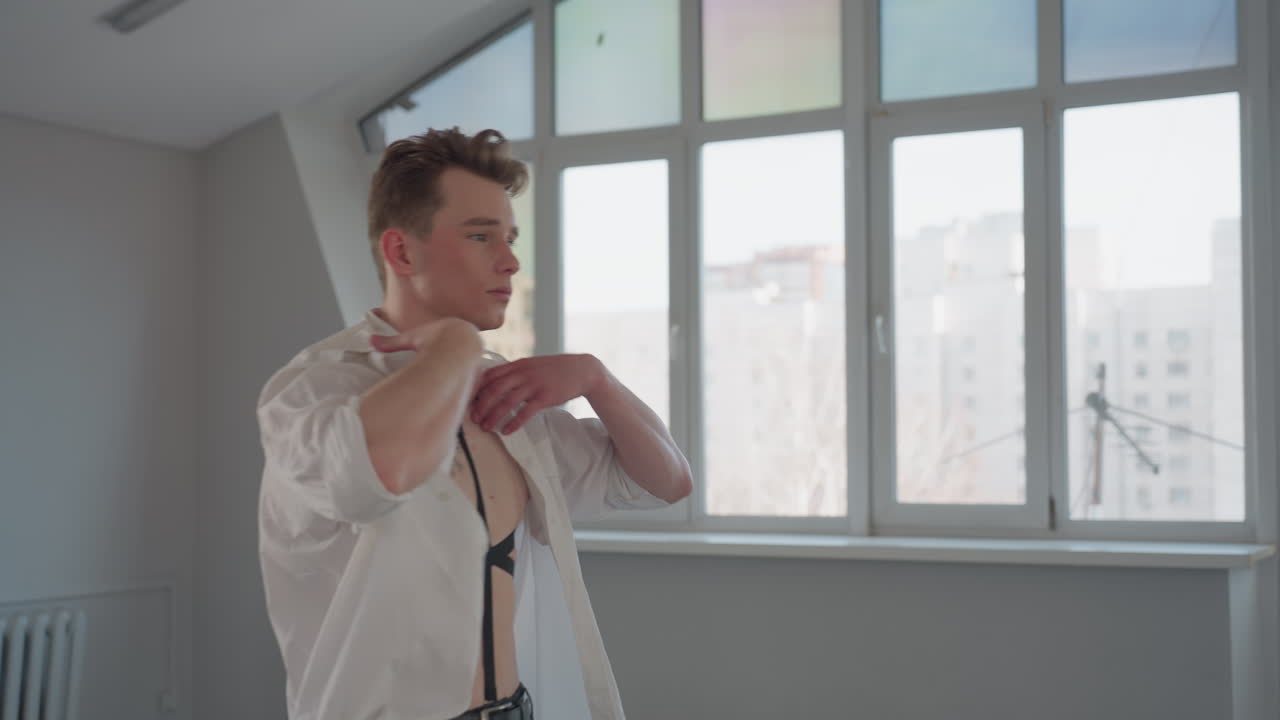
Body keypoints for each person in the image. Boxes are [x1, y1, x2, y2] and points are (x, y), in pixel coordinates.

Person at [256, 127, 692, 720]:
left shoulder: (503, 398)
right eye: (482, 236)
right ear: (403, 252)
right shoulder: (314, 390)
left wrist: (598, 381)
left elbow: (661, 484)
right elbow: (375, 475)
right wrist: (455, 346)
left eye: (510, 238)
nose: (510, 261)